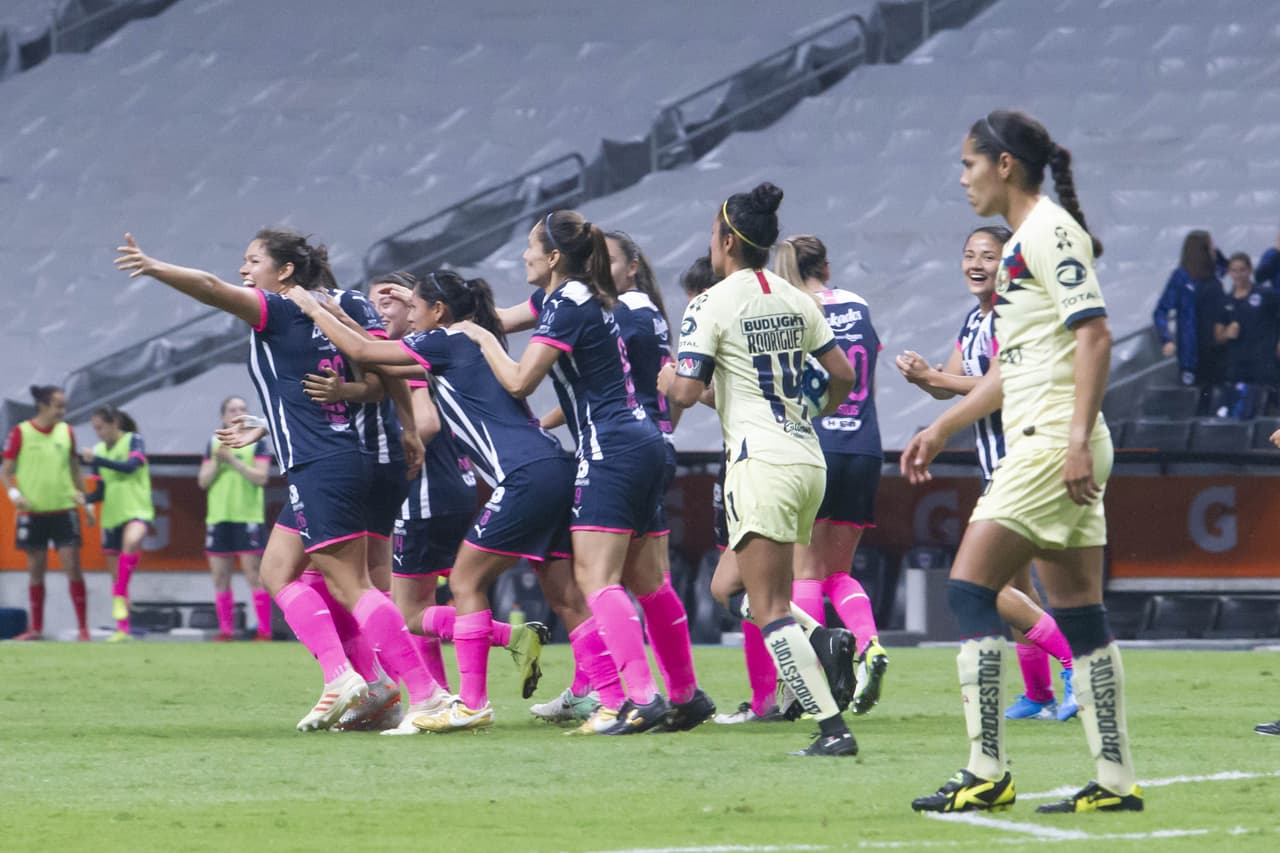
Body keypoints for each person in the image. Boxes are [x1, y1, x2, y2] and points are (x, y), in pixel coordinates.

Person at [115, 228, 448, 732]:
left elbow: (210, 287)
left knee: (353, 586)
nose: (243, 271)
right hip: (349, 457)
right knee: (279, 573)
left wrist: (153, 266)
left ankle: (424, 693)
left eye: (253, 262)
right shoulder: (346, 305)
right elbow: (384, 376)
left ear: (286, 270)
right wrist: (400, 426)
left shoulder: (278, 308)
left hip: (321, 462)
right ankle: (363, 683)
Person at [905, 110, 1140, 814]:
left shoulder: (1047, 232)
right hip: (1051, 433)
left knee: (969, 590)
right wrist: (942, 425)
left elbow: (1096, 336)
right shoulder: (1024, 248)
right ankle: (1115, 780)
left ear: (1003, 164)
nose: (963, 178)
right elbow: (1011, 370)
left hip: (1048, 440)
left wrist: (1074, 439)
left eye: (969, 163)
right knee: (1082, 615)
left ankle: (986, 770)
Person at [284, 269, 602, 734]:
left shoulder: (444, 340)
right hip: (551, 465)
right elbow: (383, 364)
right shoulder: (465, 343)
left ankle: (470, 704)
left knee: (463, 582)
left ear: (439, 311)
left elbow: (366, 353)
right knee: (566, 594)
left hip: (520, 475)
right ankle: (604, 693)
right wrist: (343, 317)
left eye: (415, 308)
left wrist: (312, 308)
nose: (409, 316)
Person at [454, 211, 681, 735]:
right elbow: (502, 319)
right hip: (640, 442)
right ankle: (673, 696)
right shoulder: (572, 296)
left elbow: (519, 381)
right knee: (644, 581)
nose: (523, 256)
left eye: (530, 248)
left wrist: (479, 339)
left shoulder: (568, 305)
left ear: (554, 257)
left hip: (611, 447)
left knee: (595, 581)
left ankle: (638, 699)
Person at [659, 182, 860, 756]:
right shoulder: (797, 299)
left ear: (727, 240)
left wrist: (668, 379)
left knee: (769, 610)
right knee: (728, 586)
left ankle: (832, 729)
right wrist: (810, 411)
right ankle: (822, 638)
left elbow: (687, 390)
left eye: (712, 234)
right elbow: (843, 376)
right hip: (807, 458)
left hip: (759, 463)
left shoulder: (710, 304)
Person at [896, 226, 1078, 723]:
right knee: (1017, 586)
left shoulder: (1011, 314)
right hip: (999, 465)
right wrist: (926, 378)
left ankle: (1076, 664)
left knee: (981, 582)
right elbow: (954, 384)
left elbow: (1000, 384)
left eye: (989, 256)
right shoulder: (975, 318)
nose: (976, 263)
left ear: (1010, 265)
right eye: (969, 254)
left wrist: (937, 380)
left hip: (1024, 461)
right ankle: (1039, 693)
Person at [774, 234, 890, 715]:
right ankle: (870, 645)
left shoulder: (792, 309)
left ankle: (808, 682)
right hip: (864, 446)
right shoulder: (858, 305)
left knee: (805, 571)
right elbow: (869, 379)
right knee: (838, 572)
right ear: (826, 266)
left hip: (816, 445)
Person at [1, 385, 90, 641]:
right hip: (33, 513)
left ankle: (83, 629)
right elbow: (6, 471)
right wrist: (15, 495)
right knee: (36, 570)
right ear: (43, 406)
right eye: (58, 406)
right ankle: (36, 629)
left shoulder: (66, 432)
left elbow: (75, 469)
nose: (62, 411)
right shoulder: (21, 433)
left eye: (64, 406)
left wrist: (87, 503)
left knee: (73, 566)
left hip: (64, 509)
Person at [198, 396, 271, 641]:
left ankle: (264, 631)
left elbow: (261, 477)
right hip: (219, 516)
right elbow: (203, 481)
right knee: (220, 576)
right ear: (223, 416)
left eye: (242, 409)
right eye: (232, 410)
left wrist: (233, 461)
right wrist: (218, 462)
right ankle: (226, 631)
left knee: (254, 574)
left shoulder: (257, 442)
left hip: (247, 515)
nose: (237, 413)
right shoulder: (214, 443)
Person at [82, 405, 153, 643]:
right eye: (95, 429)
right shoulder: (98, 451)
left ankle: (120, 597)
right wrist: (84, 499)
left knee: (131, 542)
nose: (98, 433)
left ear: (114, 423)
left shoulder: (134, 440)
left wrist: (98, 460)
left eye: (101, 427)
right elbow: (100, 492)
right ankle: (123, 629)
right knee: (116, 575)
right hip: (112, 515)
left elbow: (131, 467)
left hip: (137, 509)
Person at [1152, 230, 1227, 415]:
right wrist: (1166, 338)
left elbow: (1227, 266)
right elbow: (1160, 311)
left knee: (1211, 397)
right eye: (1210, 246)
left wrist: (1215, 252)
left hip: (1216, 348)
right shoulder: (1181, 277)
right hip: (1192, 349)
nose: (1213, 249)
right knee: (1193, 399)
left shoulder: (1215, 274)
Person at [1214, 252, 1280, 419]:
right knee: (1238, 412)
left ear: (1249, 270)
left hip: (1265, 366)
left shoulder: (1266, 295)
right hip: (1238, 368)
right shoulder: (1225, 302)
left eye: (1242, 270)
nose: (1238, 275)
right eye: (1234, 270)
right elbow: (1218, 335)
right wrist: (1227, 333)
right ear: (1229, 272)